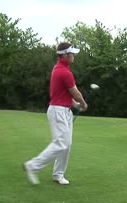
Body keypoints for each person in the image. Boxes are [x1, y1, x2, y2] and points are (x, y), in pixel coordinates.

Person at [23, 42, 88, 185]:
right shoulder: (64, 72)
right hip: (58, 111)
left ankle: (58, 174)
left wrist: (75, 105)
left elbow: (65, 94)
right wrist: (82, 104)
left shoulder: (61, 69)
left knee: (67, 144)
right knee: (61, 143)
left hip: (64, 110)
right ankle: (32, 166)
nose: (74, 55)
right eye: (72, 53)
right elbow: (75, 93)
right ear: (65, 54)